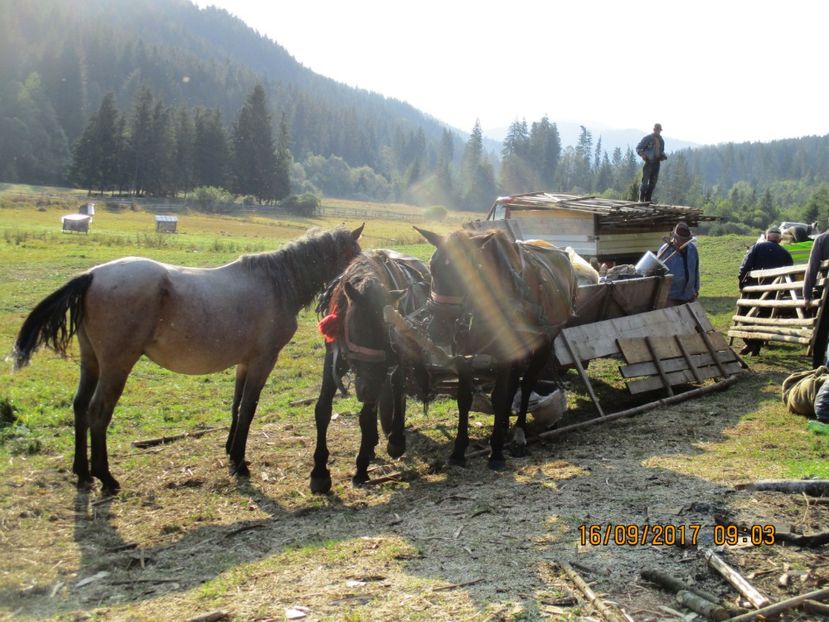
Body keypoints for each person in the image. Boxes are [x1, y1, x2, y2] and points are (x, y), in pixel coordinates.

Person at [737, 226, 793, 356]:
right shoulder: (785, 253)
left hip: (753, 289)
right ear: (779, 240)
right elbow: (790, 276)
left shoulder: (757, 247)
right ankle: (756, 344)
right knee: (763, 318)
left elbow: (745, 266)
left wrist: (741, 282)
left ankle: (751, 343)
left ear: (767, 236)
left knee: (744, 315)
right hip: (773, 292)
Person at [656, 221, 699, 306]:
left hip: (689, 296)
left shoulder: (692, 249)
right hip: (671, 298)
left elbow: (695, 270)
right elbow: (659, 276)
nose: (684, 243)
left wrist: (696, 290)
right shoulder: (665, 251)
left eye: (686, 240)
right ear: (675, 238)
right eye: (681, 240)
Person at [803, 227, 829, 367]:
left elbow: (812, 267)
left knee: (821, 330)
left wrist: (806, 294)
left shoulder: (822, 239)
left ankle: (818, 366)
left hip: (825, 291)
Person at [636, 123, 667, 203]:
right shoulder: (647, 138)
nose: (658, 131)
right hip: (648, 163)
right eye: (657, 129)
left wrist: (662, 156)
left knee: (653, 183)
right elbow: (638, 148)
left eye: (659, 130)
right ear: (654, 129)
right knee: (645, 182)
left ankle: (648, 199)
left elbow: (661, 151)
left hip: (657, 163)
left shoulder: (661, 141)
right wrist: (642, 154)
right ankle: (641, 199)